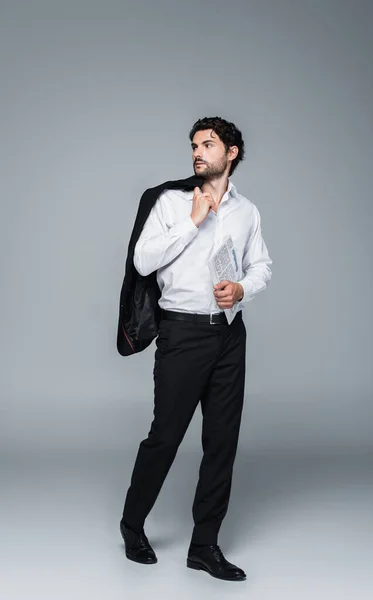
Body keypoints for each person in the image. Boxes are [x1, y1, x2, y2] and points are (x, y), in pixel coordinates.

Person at [120, 116, 273, 581]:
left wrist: (242, 289)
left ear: (232, 153)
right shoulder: (169, 202)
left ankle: (204, 545)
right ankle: (132, 524)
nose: (197, 152)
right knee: (165, 436)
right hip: (182, 334)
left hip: (229, 333)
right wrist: (192, 221)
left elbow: (262, 265)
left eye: (208, 144)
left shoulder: (247, 211)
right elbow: (142, 260)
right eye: (193, 145)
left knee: (221, 442)